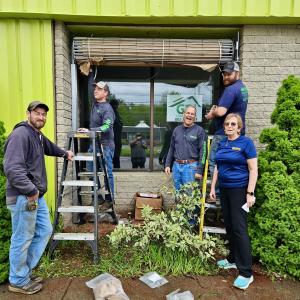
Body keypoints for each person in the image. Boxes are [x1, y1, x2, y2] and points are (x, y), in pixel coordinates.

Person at [4, 101, 74, 295]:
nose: (41, 117)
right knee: (22, 238)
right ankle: (18, 280)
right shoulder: (21, 134)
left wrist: (64, 153)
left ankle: (24, 273)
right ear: (28, 114)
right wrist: (31, 191)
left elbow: (48, 146)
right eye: (37, 113)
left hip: (35, 196)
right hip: (24, 197)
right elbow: (12, 168)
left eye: (44, 114)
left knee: (44, 230)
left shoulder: (37, 135)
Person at [209, 113, 257, 290]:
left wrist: (250, 193)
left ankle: (246, 272)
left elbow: (253, 170)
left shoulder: (246, 143)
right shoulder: (223, 143)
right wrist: (213, 188)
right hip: (225, 189)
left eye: (233, 124)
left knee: (239, 228)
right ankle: (232, 259)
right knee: (229, 225)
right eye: (227, 123)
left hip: (239, 190)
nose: (229, 126)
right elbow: (217, 168)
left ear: (239, 127)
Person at [205, 62, 248, 177]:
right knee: (233, 163)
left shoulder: (231, 89)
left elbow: (221, 112)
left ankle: (219, 193)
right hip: (238, 133)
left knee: (215, 162)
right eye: (224, 74)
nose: (226, 76)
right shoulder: (242, 88)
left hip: (224, 134)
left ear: (237, 73)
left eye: (229, 74)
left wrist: (211, 114)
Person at [79, 81, 116, 203]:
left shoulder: (107, 108)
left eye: (99, 89)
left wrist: (90, 131)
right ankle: (98, 198)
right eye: (95, 88)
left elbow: (107, 127)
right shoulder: (95, 105)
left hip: (105, 146)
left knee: (107, 173)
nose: (95, 90)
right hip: (93, 145)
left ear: (105, 93)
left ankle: (110, 200)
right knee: (91, 172)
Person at [164, 105, 206, 191]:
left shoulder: (199, 131)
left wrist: (199, 170)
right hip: (176, 167)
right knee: (177, 194)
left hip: (191, 167)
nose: (189, 115)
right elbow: (171, 148)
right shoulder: (176, 130)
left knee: (189, 196)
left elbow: (204, 151)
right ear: (184, 114)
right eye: (188, 113)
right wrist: (167, 164)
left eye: (192, 114)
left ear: (195, 117)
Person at [110, 98, 123, 168]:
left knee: (114, 158)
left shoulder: (113, 114)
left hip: (115, 139)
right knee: (115, 158)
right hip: (115, 140)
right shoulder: (114, 114)